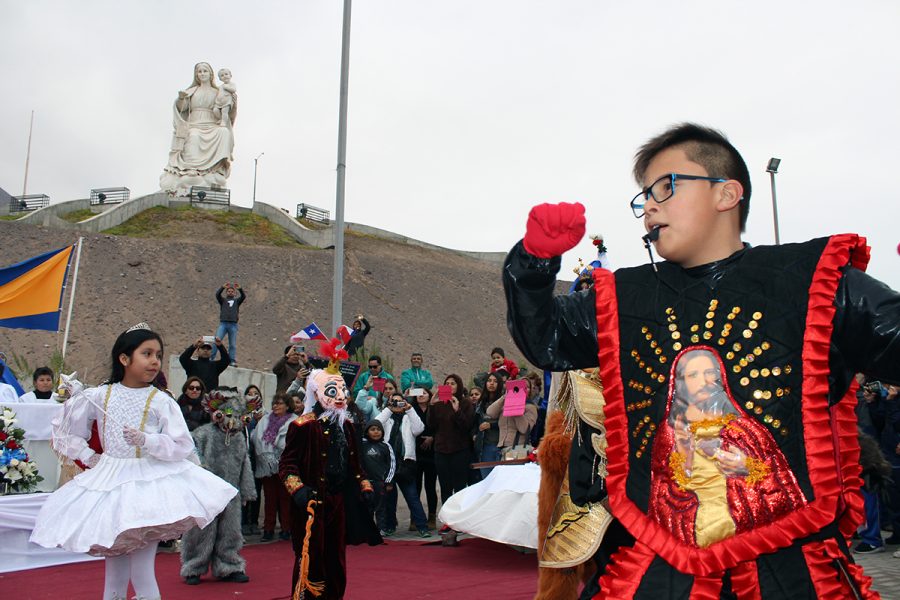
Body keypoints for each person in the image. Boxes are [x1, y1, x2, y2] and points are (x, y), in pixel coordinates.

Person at [503, 123, 900, 598]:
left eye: (665, 187)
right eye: (642, 196)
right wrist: (532, 266)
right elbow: (546, 339)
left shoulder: (816, 283)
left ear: (727, 193)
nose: (648, 205)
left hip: (790, 565)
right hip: (657, 561)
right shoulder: (622, 299)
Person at [30, 324, 236, 600]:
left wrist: (147, 441)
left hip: (145, 484)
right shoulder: (99, 396)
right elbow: (66, 430)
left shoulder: (161, 401)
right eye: (146, 353)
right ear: (124, 359)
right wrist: (89, 456)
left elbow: (182, 445)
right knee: (114, 572)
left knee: (142, 571)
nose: (154, 361)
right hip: (110, 481)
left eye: (158, 355)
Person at [278, 338, 380, 599]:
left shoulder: (346, 426)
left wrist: (365, 487)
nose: (340, 397)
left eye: (342, 391)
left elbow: (356, 464)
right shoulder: (302, 426)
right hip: (311, 506)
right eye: (332, 391)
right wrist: (298, 490)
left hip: (337, 503)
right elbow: (287, 465)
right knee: (310, 560)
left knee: (337, 560)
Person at [180, 387, 259, 585]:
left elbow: (245, 463)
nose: (234, 419)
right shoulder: (204, 433)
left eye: (239, 415)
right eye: (231, 414)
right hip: (206, 492)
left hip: (231, 492)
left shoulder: (239, 438)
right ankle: (194, 566)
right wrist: (201, 473)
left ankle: (229, 565)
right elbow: (191, 452)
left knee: (230, 531)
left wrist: (247, 489)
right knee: (201, 530)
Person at [159, 62, 236, 196]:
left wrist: (231, 101)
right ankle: (191, 170)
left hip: (212, 123)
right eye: (199, 72)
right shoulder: (192, 91)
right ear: (196, 75)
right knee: (194, 135)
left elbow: (226, 105)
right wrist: (181, 99)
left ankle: (215, 171)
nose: (202, 74)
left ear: (210, 74)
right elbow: (183, 108)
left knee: (223, 132)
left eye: (205, 71)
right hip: (194, 123)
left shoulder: (218, 91)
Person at [376, 392, 430, 537]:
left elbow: (419, 429)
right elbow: (375, 424)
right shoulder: (387, 419)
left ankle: (422, 527)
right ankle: (390, 526)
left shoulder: (408, 418)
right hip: (388, 464)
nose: (397, 404)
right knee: (389, 497)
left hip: (406, 463)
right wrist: (389, 409)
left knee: (412, 496)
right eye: (394, 401)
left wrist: (410, 409)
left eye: (400, 402)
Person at [427, 374, 475, 522]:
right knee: (445, 486)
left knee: (460, 486)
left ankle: (460, 520)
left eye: (452, 383)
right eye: (446, 383)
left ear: (458, 386)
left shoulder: (465, 403)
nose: (449, 386)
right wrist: (432, 405)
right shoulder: (439, 403)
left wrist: (457, 410)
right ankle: (448, 520)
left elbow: (467, 426)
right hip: (441, 450)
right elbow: (431, 425)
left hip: (460, 450)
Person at [251, 393, 294, 542]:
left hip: (285, 464)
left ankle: (286, 529)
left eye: (280, 403)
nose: (276, 406)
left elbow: (292, 441)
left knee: (285, 498)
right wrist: (266, 455)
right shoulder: (265, 419)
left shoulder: (293, 420)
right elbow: (256, 437)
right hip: (266, 464)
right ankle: (268, 529)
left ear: (287, 406)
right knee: (269, 498)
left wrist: (278, 451)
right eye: (275, 403)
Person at [486, 376, 539, 460]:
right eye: (521, 386)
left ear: (530, 391)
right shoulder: (506, 404)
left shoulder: (530, 407)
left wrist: (516, 408)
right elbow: (490, 413)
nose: (524, 389)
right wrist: (505, 396)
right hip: (502, 449)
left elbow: (525, 429)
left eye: (527, 387)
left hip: (518, 449)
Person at [360, 419, 396, 536]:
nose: (376, 432)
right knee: (367, 506)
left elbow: (392, 464)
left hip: (380, 482)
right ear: (367, 432)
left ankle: (382, 529)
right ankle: (368, 530)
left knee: (381, 507)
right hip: (366, 483)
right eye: (372, 430)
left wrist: (388, 481)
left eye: (378, 429)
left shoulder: (385, 446)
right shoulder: (362, 445)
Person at [412, 387, 439, 530]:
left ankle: (432, 517)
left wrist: (432, 438)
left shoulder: (434, 409)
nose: (421, 396)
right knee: (415, 487)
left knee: (430, 487)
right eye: (418, 394)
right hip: (415, 453)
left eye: (424, 393)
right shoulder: (411, 410)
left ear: (430, 395)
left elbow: (440, 427)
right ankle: (414, 518)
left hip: (431, 453)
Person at [475, 376, 502, 477]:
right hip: (485, 446)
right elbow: (475, 421)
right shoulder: (481, 402)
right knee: (486, 480)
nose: (492, 383)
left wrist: (491, 425)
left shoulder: (504, 401)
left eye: (495, 381)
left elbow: (508, 423)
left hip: (501, 445)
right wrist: (474, 433)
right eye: (489, 381)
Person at [214, 282, 246, 366]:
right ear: (226, 292)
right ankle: (210, 358)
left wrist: (240, 289)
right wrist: (222, 287)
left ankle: (231, 361)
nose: (230, 292)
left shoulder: (237, 301)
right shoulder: (223, 300)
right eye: (229, 291)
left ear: (234, 293)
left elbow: (243, 297)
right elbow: (217, 295)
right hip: (223, 324)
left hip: (233, 325)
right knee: (216, 341)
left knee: (232, 344)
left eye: (232, 291)